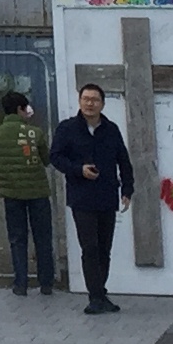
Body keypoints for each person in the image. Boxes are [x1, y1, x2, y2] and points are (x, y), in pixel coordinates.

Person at [49, 81, 130, 313]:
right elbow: (55, 157)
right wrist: (78, 170)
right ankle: (94, 296)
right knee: (90, 247)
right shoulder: (67, 128)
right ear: (80, 101)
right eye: (86, 99)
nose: (90, 104)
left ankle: (101, 292)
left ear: (102, 104)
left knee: (104, 248)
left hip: (106, 196)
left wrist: (127, 189)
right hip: (82, 197)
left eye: (94, 100)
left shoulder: (111, 129)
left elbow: (123, 160)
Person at [0, 90, 56, 296]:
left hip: (11, 192)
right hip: (38, 192)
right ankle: (46, 282)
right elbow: (46, 159)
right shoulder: (35, 132)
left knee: (17, 238)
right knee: (43, 237)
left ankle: (20, 283)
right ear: (20, 109)